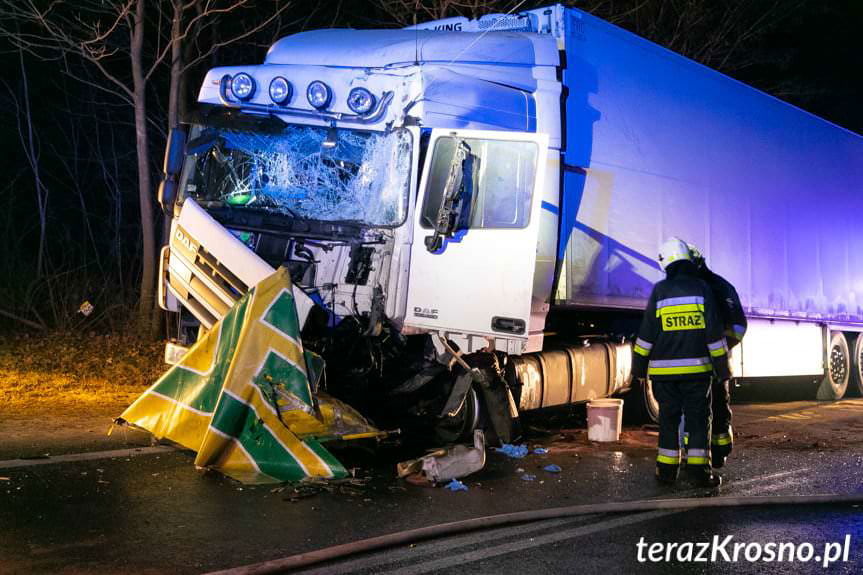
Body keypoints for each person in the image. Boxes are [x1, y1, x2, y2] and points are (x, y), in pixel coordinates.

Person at [632, 237, 731, 488]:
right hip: (697, 373)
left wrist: (639, 368)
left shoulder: (659, 291)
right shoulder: (702, 289)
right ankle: (698, 474)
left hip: (663, 376)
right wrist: (722, 369)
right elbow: (714, 335)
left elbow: (646, 335)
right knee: (698, 421)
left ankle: (666, 472)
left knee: (668, 421)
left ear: (666, 263)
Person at [686, 243, 747, 469]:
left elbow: (738, 326)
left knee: (718, 406)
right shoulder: (690, 288)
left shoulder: (719, 288)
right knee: (696, 411)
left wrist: (719, 349)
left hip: (715, 362)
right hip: (695, 363)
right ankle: (696, 456)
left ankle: (719, 451)